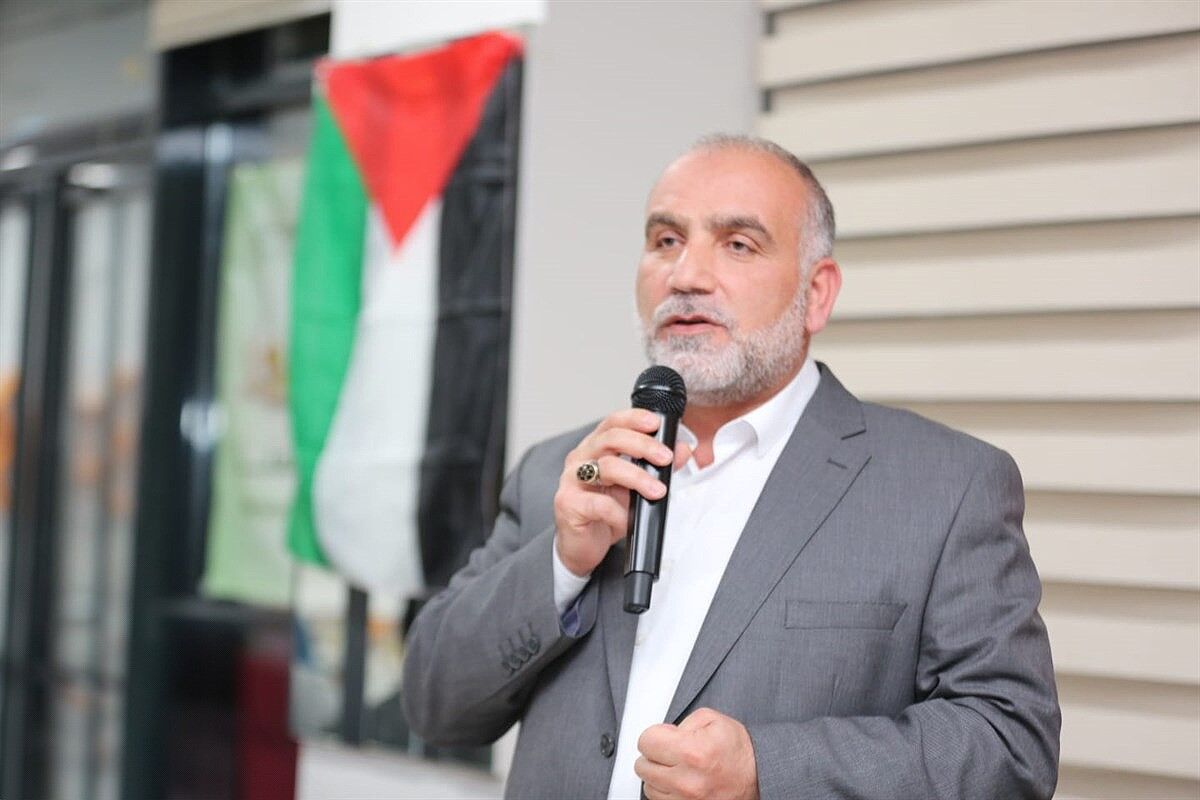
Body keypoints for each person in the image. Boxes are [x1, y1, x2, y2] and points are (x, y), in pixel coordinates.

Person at [402, 134, 1061, 799]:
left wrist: (765, 770)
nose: (686, 275)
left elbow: (1010, 746)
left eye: (738, 244)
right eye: (666, 240)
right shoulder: (563, 474)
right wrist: (562, 565)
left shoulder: (943, 488)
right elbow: (434, 704)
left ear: (817, 294)